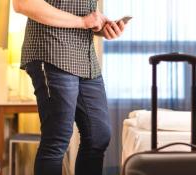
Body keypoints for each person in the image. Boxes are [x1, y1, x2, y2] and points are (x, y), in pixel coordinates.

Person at [12, 0, 127, 174]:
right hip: (52, 51)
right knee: (57, 138)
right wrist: (83, 22)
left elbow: (77, 9)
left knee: (98, 136)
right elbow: (23, 4)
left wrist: (100, 25)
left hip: (85, 59)